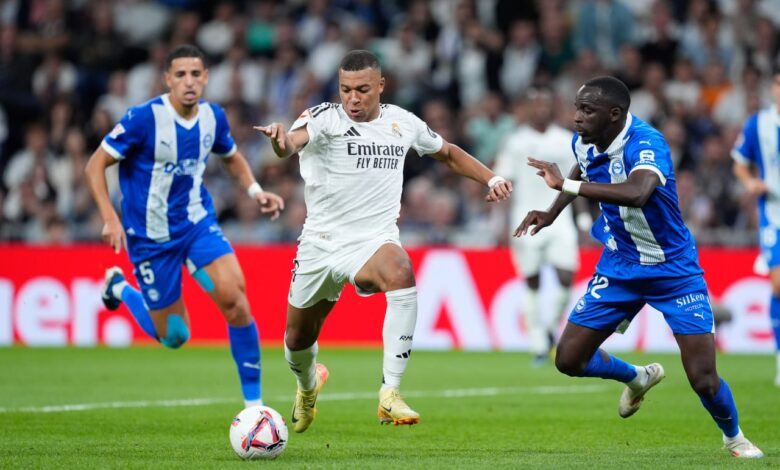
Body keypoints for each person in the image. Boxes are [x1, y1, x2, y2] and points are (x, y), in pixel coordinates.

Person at [254, 50, 512, 432]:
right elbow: (291, 143)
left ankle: (389, 393)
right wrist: (279, 142)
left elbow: (448, 153)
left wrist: (491, 178)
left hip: (372, 241)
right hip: (320, 244)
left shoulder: (402, 122)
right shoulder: (325, 117)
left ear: (380, 86)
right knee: (296, 342)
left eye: (361, 90)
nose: (352, 99)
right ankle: (308, 387)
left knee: (401, 270)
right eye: (345, 90)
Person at [515, 76, 763, 458]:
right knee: (568, 360)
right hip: (619, 266)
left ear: (614, 115)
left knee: (703, 379)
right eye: (577, 108)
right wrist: (551, 213)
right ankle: (637, 376)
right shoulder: (583, 140)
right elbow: (581, 170)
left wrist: (565, 186)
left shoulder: (647, 143)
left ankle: (734, 437)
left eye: (587, 110)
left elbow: (638, 191)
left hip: (672, 270)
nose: (576, 117)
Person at [84, 45, 284, 407]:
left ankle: (254, 407)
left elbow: (232, 157)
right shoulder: (143, 119)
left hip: (196, 225)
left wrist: (255, 191)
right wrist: (109, 218)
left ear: (206, 78)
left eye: (196, 74)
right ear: (167, 80)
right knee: (175, 336)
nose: (189, 82)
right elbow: (95, 165)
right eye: (180, 75)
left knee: (236, 301)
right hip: (150, 239)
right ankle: (120, 288)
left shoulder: (213, 117)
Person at [494, 87, 590, 366]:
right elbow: (502, 183)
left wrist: (583, 221)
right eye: (535, 104)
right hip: (524, 220)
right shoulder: (515, 142)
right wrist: (499, 222)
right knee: (532, 282)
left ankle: (548, 329)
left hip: (560, 221)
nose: (541, 109)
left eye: (545, 104)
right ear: (527, 108)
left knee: (566, 277)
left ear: (554, 107)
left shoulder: (566, 140)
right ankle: (538, 342)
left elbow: (577, 182)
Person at [732, 65, 780, 387]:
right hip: (775, 214)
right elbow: (739, 162)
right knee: (778, 285)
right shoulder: (758, 123)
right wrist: (750, 182)